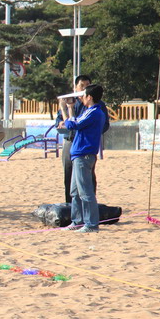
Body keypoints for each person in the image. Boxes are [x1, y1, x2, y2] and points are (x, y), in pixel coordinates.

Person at [59, 84, 108, 232]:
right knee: (75, 192)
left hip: (83, 155)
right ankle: (77, 221)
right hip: (79, 155)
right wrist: (70, 108)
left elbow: (72, 124)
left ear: (90, 97)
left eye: (84, 95)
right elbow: (74, 121)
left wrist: (63, 109)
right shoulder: (90, 112)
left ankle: (91, 224)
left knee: (85, 192)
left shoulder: (94, 112)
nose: (82, 98)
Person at [55, 75, 109, 203]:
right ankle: (70, 205)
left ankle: (90, 205)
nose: (84, 89)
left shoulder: (97, 105)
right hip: (70, 141)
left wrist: (91, 132)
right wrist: (61, 122)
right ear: (75, 87)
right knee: (69, 174)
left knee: (87, 177)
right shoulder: (70, 101)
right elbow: (60, 121)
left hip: (85, 144)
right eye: (81, 86)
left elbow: (104, 125)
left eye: (87, 86)